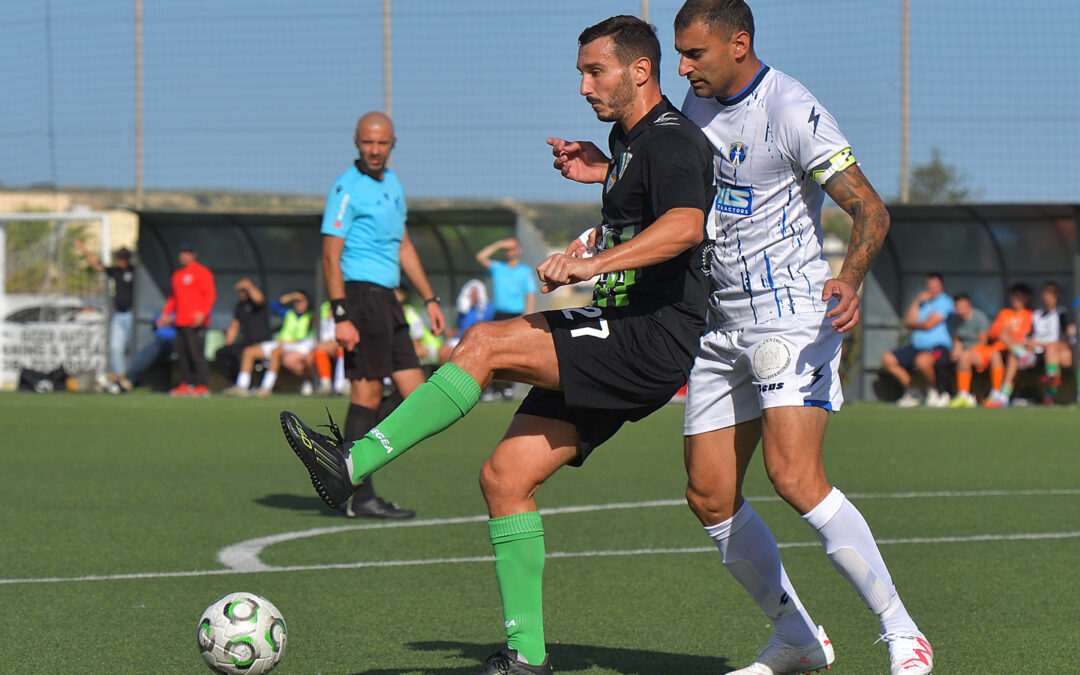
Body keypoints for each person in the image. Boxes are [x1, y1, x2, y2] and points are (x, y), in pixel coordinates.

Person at [280, 16, 714, 673]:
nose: (584, 86)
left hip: (647, 335)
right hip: (624, 330)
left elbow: (685, 224)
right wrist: (601, 180)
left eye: (594, 72)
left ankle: (353, 463)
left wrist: (591, 265)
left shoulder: (673, 138)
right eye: (581, 73)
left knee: (482, 342)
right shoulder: (627, 140)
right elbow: (644, 207)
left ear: (640, 70)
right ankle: (527, 657)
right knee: (504, 478)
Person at [550, 2, 932, 672]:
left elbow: (870, 208)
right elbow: (677, 198)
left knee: (794, 476)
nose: (682, 67)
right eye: (679, 53)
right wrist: (604, 169)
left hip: (789, 315)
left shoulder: (790, 108)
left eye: (694, 53)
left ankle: (903, 631)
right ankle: (798, 640)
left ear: (739, 44)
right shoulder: (693, 107)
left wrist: (848, 276)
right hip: (717, 320)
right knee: (709, 494)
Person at [315, 110, 447, 520]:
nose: (375, 149)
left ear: (393, 144)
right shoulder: (346, 188)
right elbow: (330, 255)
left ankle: (344, 460)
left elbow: (403, 246)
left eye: (382, 142)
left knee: (417, 395)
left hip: (389, 300)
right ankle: (360, 494)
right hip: (359, 298)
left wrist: (430, 298)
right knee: (366, 396)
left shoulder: (392, 184)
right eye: (368, 142)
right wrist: (341, 315)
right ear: (357, 142)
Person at [989, 280, 1074, 407]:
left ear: (1057, 296)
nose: (1048, 297)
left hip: (1053, 351)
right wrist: (1028, 343)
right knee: (1013, 355)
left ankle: (1049, 390)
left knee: (1052, 348)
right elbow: (1029, 335)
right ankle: (1003, 396)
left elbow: (1066, 337)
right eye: (1046, 293)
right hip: (1035, 351)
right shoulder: (1037, 314)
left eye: (1051, 294)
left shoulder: (1061, 313)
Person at [476, 238, 538, 401]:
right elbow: (481, 257)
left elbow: (530, 294)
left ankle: (508, 387)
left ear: (519, 250)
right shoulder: (498, 268)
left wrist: (528, 316)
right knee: (494, 351)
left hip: (516, 315)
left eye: (512, 249)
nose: (509, 252)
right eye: (507, 249)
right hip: (499, 315)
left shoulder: (525, 271)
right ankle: (493, 387)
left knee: (514, 352)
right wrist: (499, 244)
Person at [881, 273, 955, 407]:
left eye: (935, 285)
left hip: (938, 347)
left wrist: (914, 325)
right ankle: (913, 391)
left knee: (922, 361)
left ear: (941, 286)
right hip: (916, 347)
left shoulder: (945, 302)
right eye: (930, 286)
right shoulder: (921, 303)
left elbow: (928, 325)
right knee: (888, 358)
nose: (932, 288)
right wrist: (916, 301)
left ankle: (935, 391)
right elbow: (908, 321)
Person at [222, 291, 313, 398]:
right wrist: (292, 296)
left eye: (301, 301)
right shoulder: (289, 313)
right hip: (281, 343)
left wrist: (294, 341)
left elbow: (312, 335)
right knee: (249, 352)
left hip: (298, 346)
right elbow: (273, 305)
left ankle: (266, 387)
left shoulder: (311, 316)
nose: (298, 304)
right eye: (296, 302)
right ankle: (242, 386)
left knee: (276, 353)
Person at [74, 240, 135, 391]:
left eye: (125, 257)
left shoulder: (136, 271)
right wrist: (84, 249)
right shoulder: (115, 271)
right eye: (120, 257)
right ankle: (121, 378)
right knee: (115, 347)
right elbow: (97, 265)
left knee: (133, 348)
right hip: (119, 315)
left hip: (134, 315)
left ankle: (131, 377)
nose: (122, 260)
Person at [157, 242, 215, 397]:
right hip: (180, 321)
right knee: (182, 354)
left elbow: (210, 295)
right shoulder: (177, 274)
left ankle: (202, 385)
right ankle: (186, 383)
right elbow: (173, 298)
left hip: (196, 322)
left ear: (193, 255)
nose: (184, 256)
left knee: (196, 354)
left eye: (187, 253)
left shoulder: (202, 272)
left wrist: (203, 313)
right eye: (182, 253)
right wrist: (166, 313)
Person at [981, 283, 1034, 408]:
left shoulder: (1029, 315)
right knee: (996, 351)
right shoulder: (1005, 313)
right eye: (1016, 297)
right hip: (1003, 348)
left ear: (1027, 298)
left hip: (1018, 348)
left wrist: (1009, 332)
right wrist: (1007, 331)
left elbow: (1025, 335)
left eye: (1021, 297)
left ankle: (1004, 396)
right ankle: (995, 392)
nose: (1018, 300)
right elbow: (994, 331)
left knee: (1013, 356)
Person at [214, 278, 272, 386]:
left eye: (244, 291)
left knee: (243, 354)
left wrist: (248, 285)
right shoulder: (239, 306)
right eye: (240, 291)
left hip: (262, 342)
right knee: (222, 353)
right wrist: (228, 344)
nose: (242, 293)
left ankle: (248, 385)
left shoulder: (258, 304)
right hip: (248, 341)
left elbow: (259, 298)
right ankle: (234, 383)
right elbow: (234, 327)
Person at [946, 293, 995, 408]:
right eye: (957, 306)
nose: (960, 309)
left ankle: (964, 395)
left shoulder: (979, 317)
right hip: (964, 352)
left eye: (962, 306)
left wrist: (965, 352)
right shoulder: (954, 319)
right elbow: (956, 339)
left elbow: (983, 341)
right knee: (945, 359)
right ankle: (949, 394)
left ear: (969, 305)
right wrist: (956, 350)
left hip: (980, 351)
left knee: (965, 356)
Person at [124, 309, 176, 389]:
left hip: (176, 343)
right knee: (146, 352)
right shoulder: (165, 310)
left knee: (156, 348)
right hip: (159, 341)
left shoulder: (183, 310)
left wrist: (172, 319)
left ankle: (129, 379)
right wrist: (164, 320)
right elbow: (157, 321)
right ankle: (128, 379)